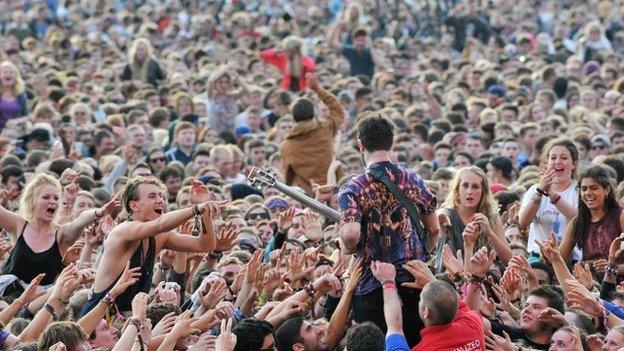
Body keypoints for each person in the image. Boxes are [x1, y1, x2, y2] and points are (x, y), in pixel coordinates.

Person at [339, 111, 440, 346]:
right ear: (392, 142)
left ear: (360, 145)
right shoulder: (413, 180)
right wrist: (423, 255)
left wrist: (344, 245)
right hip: (413, 282)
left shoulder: (353, 188)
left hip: (371, 285)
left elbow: (352, 235)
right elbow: (434, 229)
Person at [81, 177, 222, 313]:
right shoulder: (122, 230)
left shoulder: (160, 235)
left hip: (130, 318)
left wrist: (205, 213)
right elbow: (160, 224)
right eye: (152, 196)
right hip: (100, 319)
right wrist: (196, 208)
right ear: (134, 205)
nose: (160, 200)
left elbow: (204, 245)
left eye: (160, 195)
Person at [0, 173, 118, 296]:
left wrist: (99, 212)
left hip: (39, 303)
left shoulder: (61, 234)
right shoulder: (19, 225)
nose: (53, 202)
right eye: (46, 197)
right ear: (32, 201)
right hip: (7, 296)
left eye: (56, 198)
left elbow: (79, 221)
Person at [280, 73, 345, 195]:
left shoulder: (287, 145)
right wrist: (318, 89)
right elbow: (338, 110)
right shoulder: (324, 128)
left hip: (310, 199)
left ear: (293, 117)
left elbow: (288, 179)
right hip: (336, 192)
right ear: (313, 113)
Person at [436, 166, 512, 269]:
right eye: (465, 186)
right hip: (447, 281)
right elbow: (441, 213)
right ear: (458, 190)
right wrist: (440, 217)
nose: (469, 191)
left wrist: (489, 232)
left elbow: (509, 261)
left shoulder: (491, 218)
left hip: (481, 282)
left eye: (475, 187)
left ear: (483, 192)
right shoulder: (449, 213)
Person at [518, 138, 580, 263]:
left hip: (572, 259)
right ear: (546, 164)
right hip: (538, 257)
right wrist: (540, 191)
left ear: (573, 164)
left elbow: (579, 220)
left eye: (563, 158)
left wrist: (551, 194)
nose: (558, 162)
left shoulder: (580, 189)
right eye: (553, 158)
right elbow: (523, 222)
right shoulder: (534, 190)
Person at [559, 165, 624, 263]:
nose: (588, 193)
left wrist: (612, 268)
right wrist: (550, 254)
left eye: (594, 188)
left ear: (607, 190)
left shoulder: (620, 217)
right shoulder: (576, 223)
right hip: (587, 277)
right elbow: (559, 260)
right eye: (584, 189)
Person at [0, 61, 28, 131]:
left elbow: (26, 116)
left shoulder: (21, 95)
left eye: (11, 72)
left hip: (16, 130)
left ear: (16, 77)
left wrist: (15, 121)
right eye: (5, 72)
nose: (8, 74)